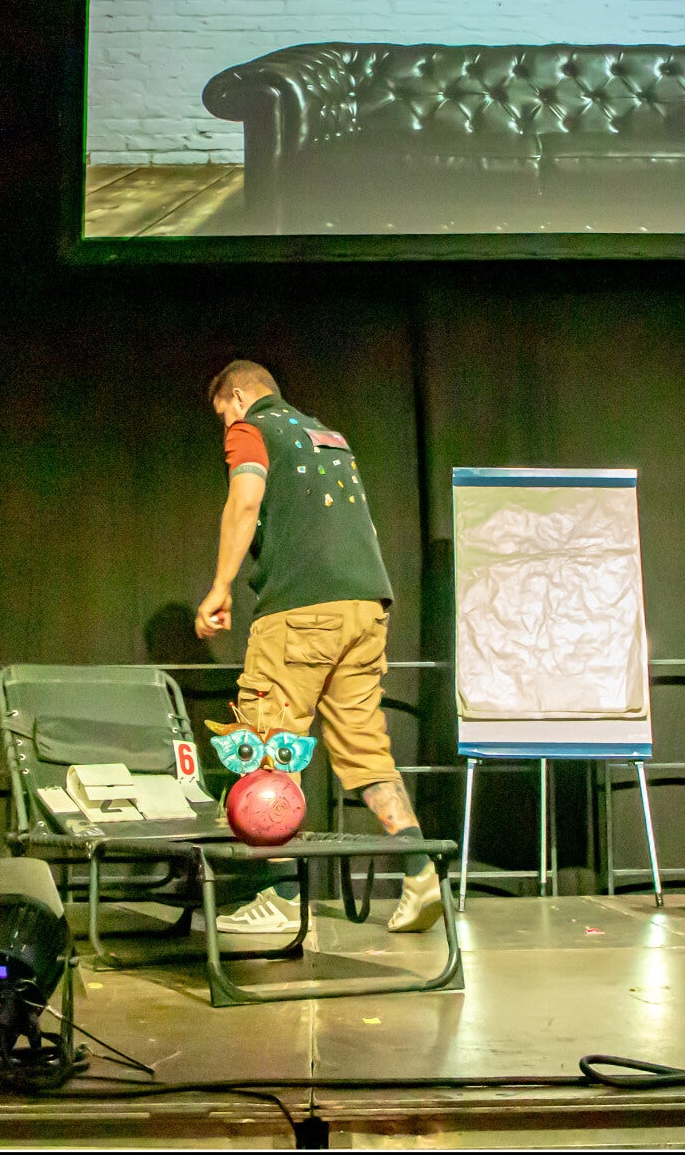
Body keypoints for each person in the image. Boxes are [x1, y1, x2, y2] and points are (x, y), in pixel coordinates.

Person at [195, 359, 442, 938]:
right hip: (365, 607)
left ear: (239, 398)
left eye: (224, 413)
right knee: (363, 744)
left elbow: (244, 502)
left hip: (301, 609)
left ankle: (280, 895)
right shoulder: (329, 436)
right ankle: (419, 869)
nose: (226, 426)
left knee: (266, 742)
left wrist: (221, 585)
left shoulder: (251, 428)